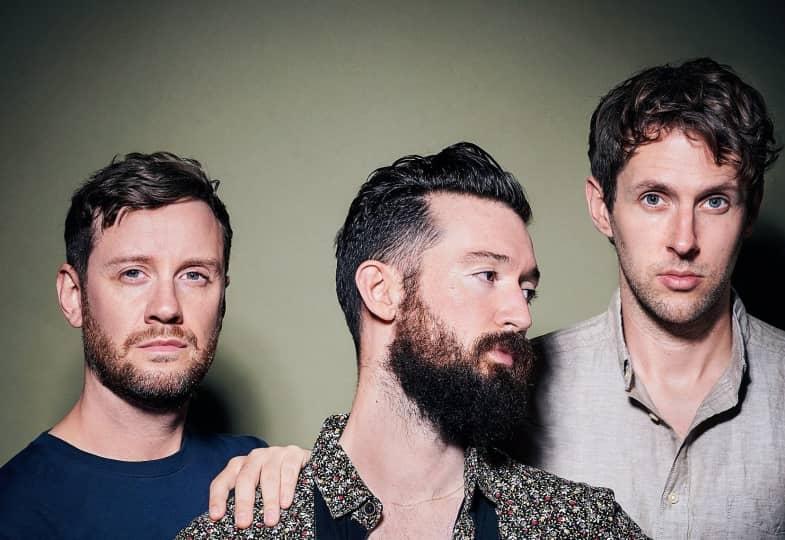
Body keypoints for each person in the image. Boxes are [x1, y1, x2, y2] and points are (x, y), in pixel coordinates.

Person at [180, 142, 647, 538]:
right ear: (382, 291)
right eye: (487, 275)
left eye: (527, 290)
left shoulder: (580, 524)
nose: (521, 316)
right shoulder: (249, 529)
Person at [522, 57, 785, 538]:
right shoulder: (515, 391)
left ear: (750, 211)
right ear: (601, 207)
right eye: (654, 198)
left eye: (715, 201)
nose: (684, 240)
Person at [0, 152, 281, 539]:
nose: (166, 308)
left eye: (194, 275)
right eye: (133, 273)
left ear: (222, 298)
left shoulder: (256, 476)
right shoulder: (13, 511)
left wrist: (316, 497)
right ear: (73, 296)